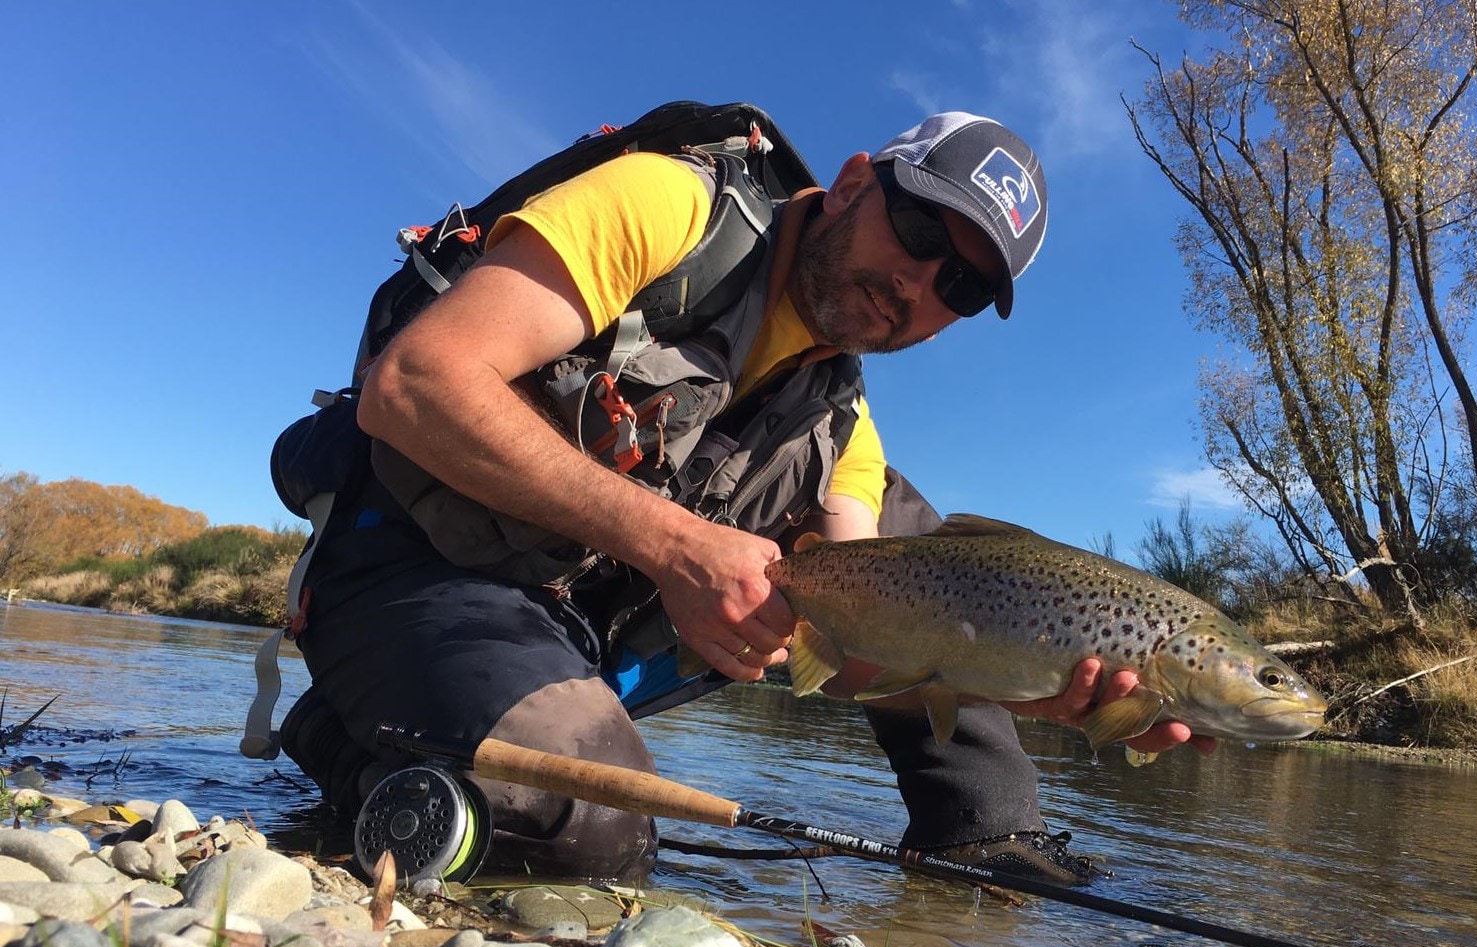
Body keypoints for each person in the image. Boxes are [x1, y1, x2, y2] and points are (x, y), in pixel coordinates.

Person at [279, 108, 1212, 883]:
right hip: (409, 565)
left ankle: (981, 837)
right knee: (595, 836)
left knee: (926, 543)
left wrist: (1025, 677)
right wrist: (681, 547)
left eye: (960, 285)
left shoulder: (842, 423)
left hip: (570, 631)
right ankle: (344, 741)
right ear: (853, 183)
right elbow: (414, 384)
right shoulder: (672, 204)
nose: (917, 282)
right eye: (924, 230)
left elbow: (854, 646)